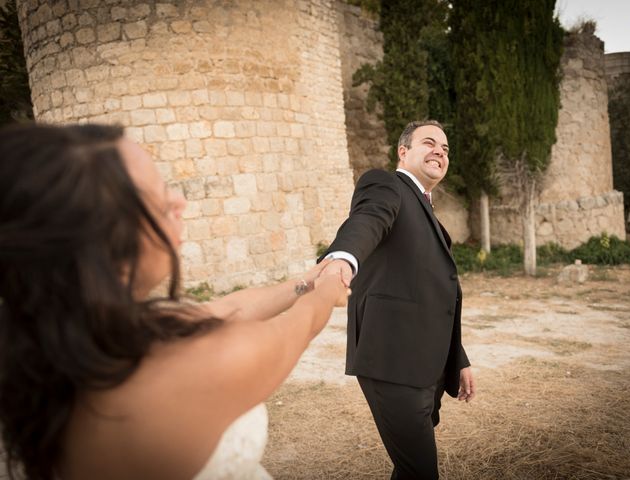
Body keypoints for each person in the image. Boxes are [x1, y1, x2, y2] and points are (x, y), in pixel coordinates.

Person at [0, 123, 350, 480]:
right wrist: (327, 288)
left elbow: (231, 308)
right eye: (162, 201)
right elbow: (297, 327)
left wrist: (306, 280)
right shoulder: (206, 365)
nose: (181, 201)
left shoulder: (63, 341)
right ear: (107, 247)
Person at [319, 119, 476, 479]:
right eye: (429, 142)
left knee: (410, 470)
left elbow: (438, 295)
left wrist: (459, 359)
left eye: (446, 147)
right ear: (403, 152)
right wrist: (343, 257)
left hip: (424, 366)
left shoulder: (430, 216)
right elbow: (368, 220)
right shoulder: (386, 186)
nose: (440, 150)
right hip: (392, 361)